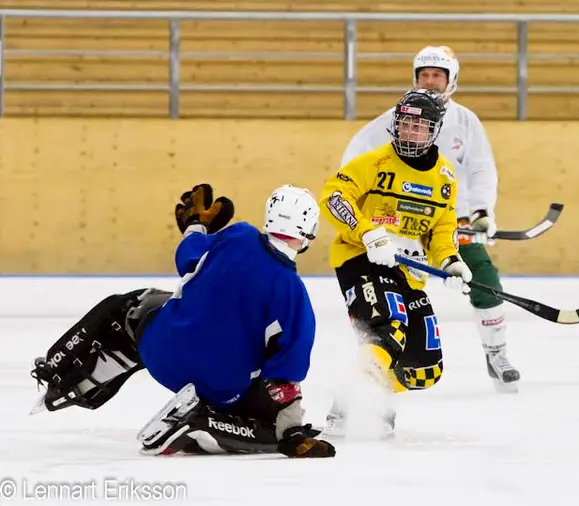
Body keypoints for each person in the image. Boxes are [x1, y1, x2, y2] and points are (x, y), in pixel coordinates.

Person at [30, 183, 336, 459]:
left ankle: (59, 365)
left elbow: (187, 258)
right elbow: (287, 370)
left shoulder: (237, 234)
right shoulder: (293, 293)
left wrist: (195, 225)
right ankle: (202, 423)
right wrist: (292, 431)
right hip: (217, 387)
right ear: (309, 235)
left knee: (134, 304)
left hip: (159, 352)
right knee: (272, 426)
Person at [340, 45, 520, 393]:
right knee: (387, 308)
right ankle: (372, 378)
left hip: (449, 222)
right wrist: (368, 220)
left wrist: (481, 211)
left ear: (452, 81)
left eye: (438, 75)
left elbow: (482, 169)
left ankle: (496, 353)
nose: (431, 81)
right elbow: (353, 163)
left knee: (483, 279)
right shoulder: (396, 118)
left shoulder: (465, 122)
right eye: (425, 74)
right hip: (400, 227)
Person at [319, 89, 472, 436]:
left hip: (409, 271)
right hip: (361, 258)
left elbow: (442, 228)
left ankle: (363, 392)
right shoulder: (375, 163)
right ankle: (354, 407)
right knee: (389, 326)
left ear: (434, 131)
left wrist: (450, 260)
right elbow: (333, 196)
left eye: (420, 127)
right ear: (395, 125)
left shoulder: (445, 178)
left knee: (424, 366)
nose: (411, 133)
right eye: (405, 124)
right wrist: (368, 232)